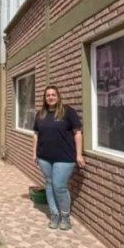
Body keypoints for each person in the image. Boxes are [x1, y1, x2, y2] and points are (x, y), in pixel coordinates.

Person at [32, 85, 85, 230]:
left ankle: (65, 216)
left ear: (58, 96)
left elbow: (78, 133)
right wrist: (34, 153)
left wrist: (79, 154)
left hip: (65, 157)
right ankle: (54, 215)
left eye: (53, 95)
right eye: (48, 95)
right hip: (44, 157)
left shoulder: (68, 112)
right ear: (45, 98)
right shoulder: (40, 114)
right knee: (49, 185)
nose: (50, 97)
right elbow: (36, 134)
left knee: (59, 186)